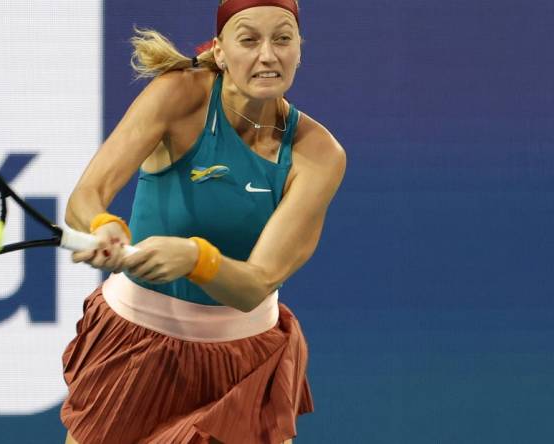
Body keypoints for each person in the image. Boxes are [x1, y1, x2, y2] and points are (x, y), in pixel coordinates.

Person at [61, 0, 345, 442]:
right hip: (133, 347)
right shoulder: (179, 95)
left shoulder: (319, 154)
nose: (268, 54)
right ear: (219, 51)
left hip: (246, 365)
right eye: (249, 40)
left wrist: (195, 258)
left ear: (299, 51)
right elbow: (86, 195)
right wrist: (102, 224)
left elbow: (255, 284)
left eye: (283, 39)